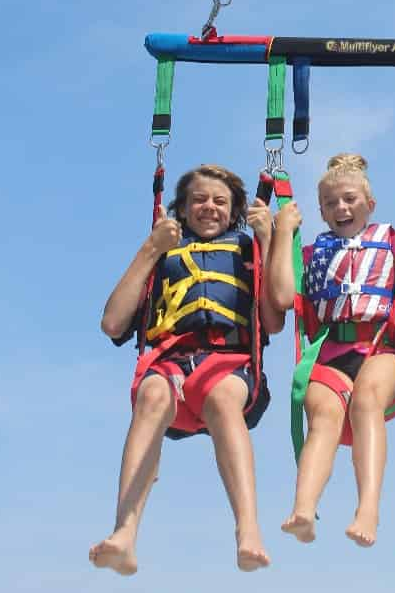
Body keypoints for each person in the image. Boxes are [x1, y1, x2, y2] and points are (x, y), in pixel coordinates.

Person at [90, 164, 283, 575]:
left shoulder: (248, 250)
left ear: (234, 212)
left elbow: (275, 320)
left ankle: (248, 529)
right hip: (170, 363)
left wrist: (269, 241)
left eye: (219, 201)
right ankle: (125, 532)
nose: (208, 207)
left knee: (222, 397)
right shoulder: (162, 253)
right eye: (198, 199)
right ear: (181, 207)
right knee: (152, 394)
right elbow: (112, 323)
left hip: (229, 364)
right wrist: (150, 248)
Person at [266, 153, 395, 547]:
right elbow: (280, 297)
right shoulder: (311, 254)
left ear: (370, 204)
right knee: (324, 417)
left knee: (365, 402)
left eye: (349, 199)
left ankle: (368, 510)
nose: (340, 208)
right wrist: (282, 234)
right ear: (322, 212)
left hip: (381, 348)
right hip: (329, 352)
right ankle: (303, 509)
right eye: (330, 204)